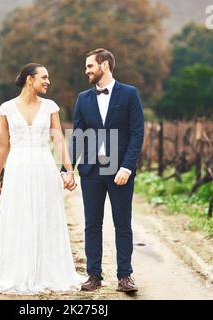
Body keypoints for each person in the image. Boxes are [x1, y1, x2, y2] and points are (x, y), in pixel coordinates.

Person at [0, 63, 83, 295]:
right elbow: (2, 144)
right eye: (44, 77)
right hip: (18, 168)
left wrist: (69, 170)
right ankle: (17, 271)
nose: (48, 81)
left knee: (45, 215)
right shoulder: (7, 108)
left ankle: (46, 271)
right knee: (19, 216)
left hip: (44, 166)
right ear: (30, 80)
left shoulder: (50, 107)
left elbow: (58, 139)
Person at [62, 48, 144, 292]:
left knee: (122, 223)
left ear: (105, 65)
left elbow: (137, 133)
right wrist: (67, 168)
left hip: (120, 172)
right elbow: (77, 135)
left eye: (90, 66)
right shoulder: (83, 98)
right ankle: (94, 275)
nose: (86, 71)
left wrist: (127, 167)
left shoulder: (129, 94)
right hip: (91, 171)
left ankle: (125, 276)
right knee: (92, 223)